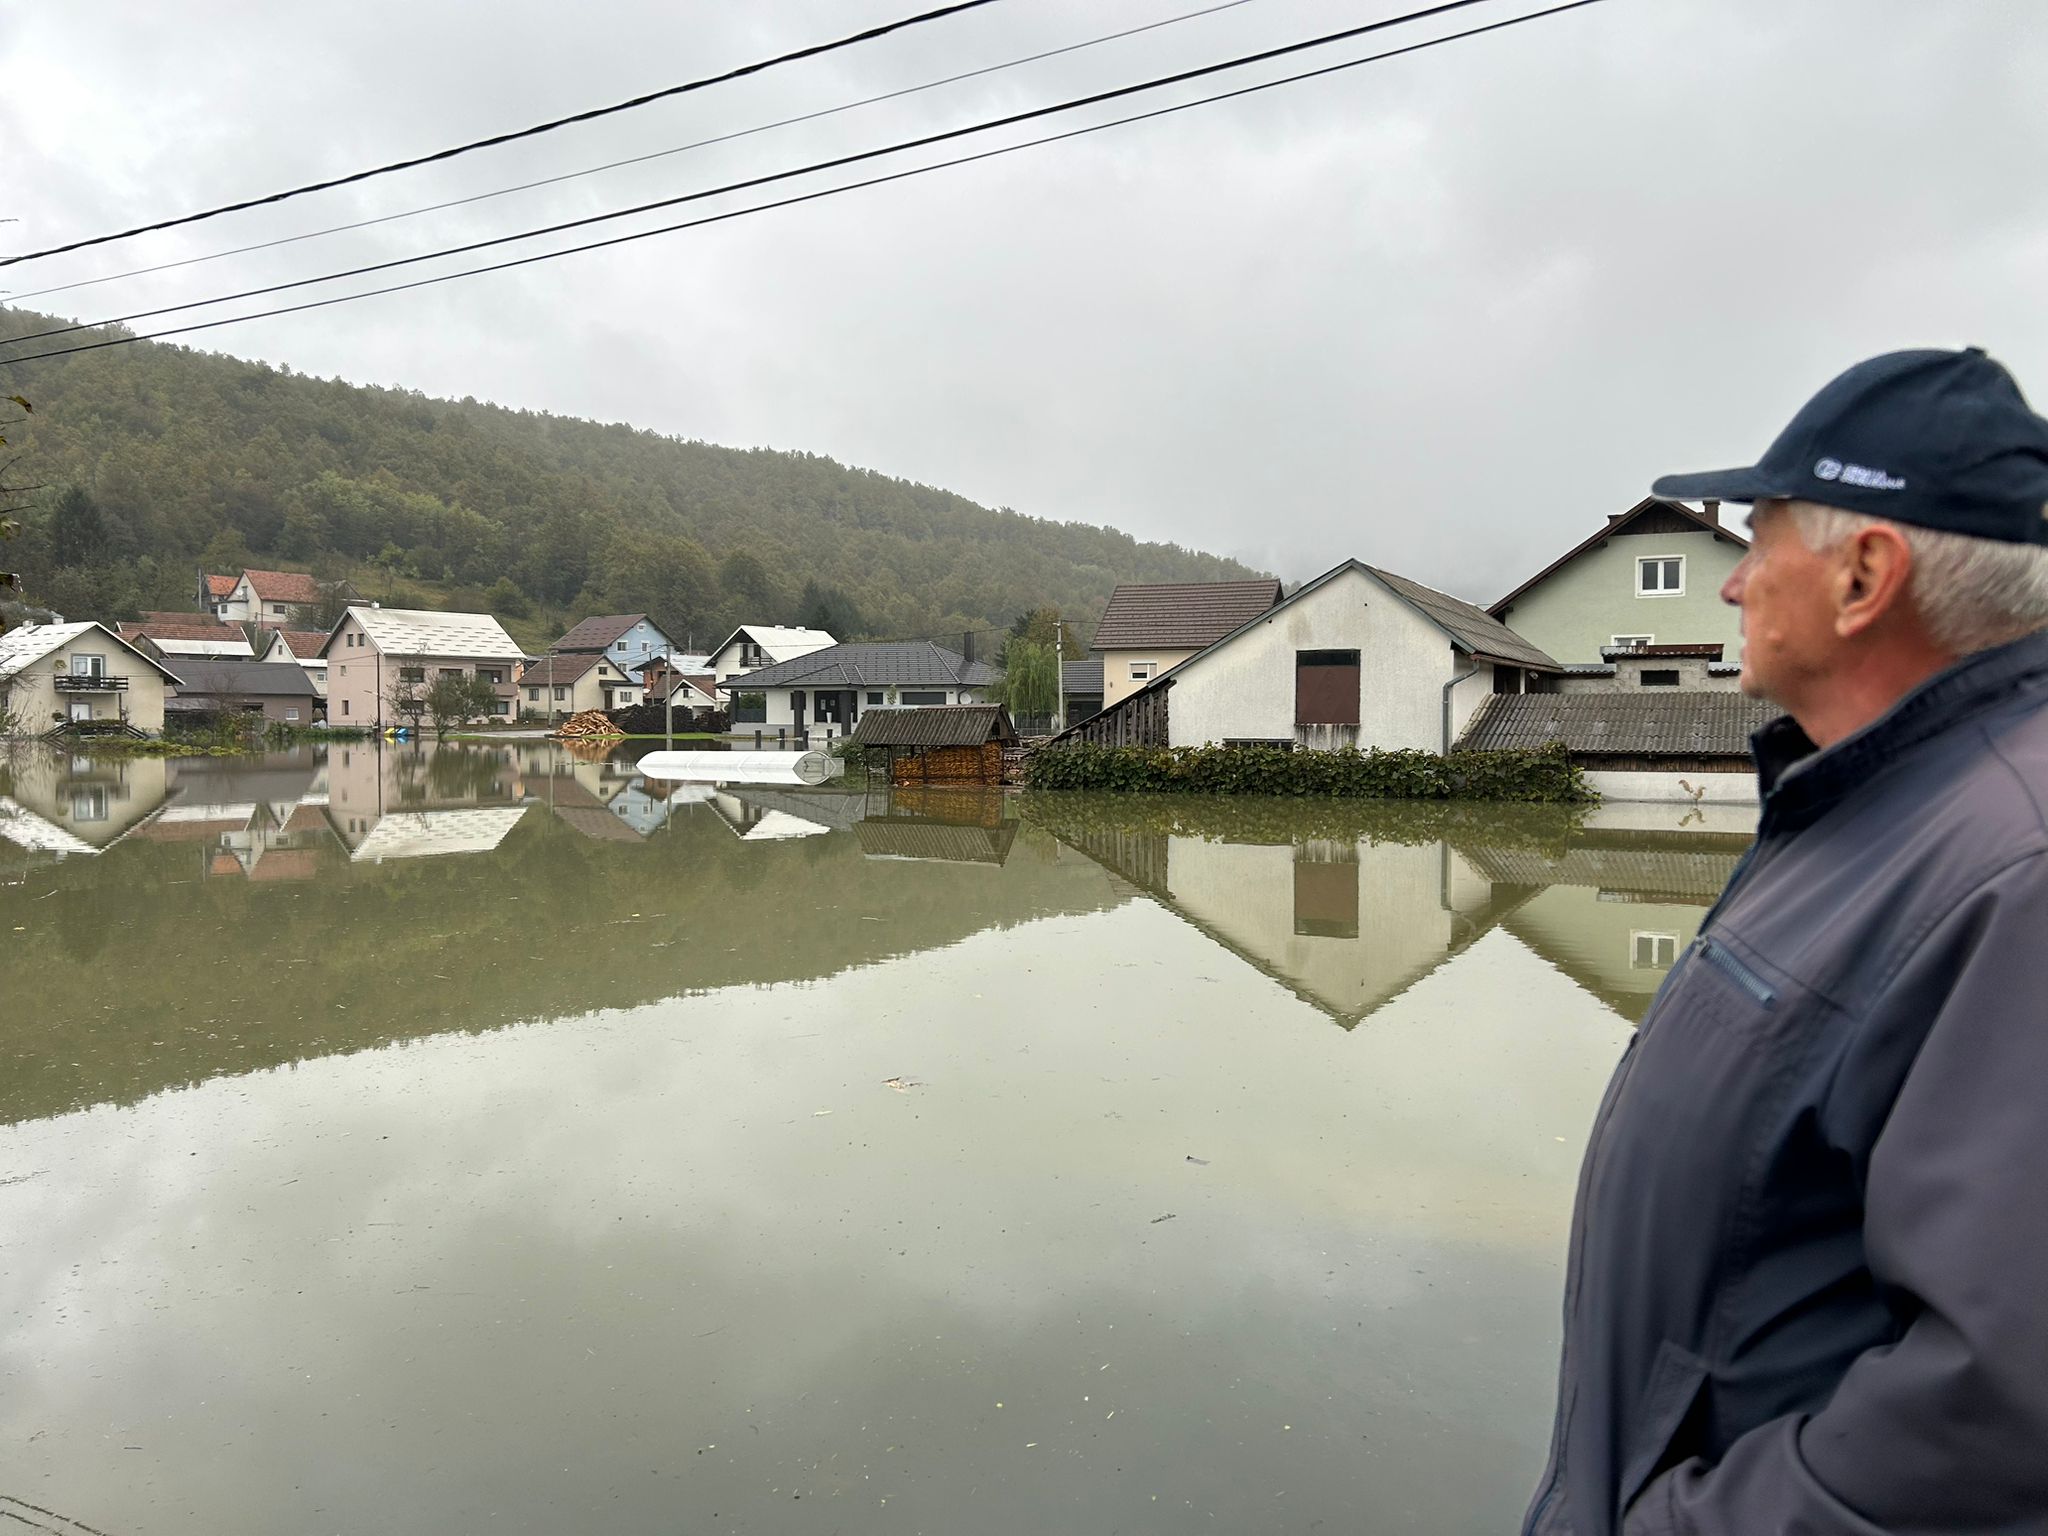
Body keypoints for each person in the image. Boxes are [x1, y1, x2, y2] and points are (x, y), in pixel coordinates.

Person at [1523, 347, 2048, 1536]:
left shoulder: (2014, 869)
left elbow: (1998, 1421)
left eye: (1757, 545)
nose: (1731, 587)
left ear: (1862, 577)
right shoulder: (1874, 798)